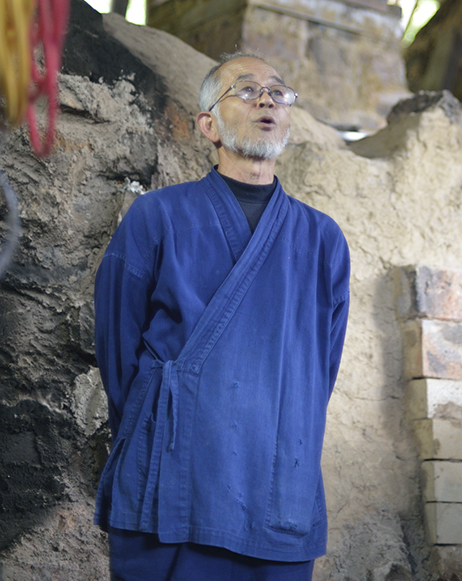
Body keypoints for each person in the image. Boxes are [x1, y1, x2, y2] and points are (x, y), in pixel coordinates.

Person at [93, 52, 351, 581]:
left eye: (278, 92)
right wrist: (166, 420)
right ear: (208, 125)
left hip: (275, 480)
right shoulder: (157, 216)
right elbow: (118, 358)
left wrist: (278, 419)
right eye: (247, 89)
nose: (266, 100)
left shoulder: (323, 239)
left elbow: (318, 372)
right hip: (173, 478)